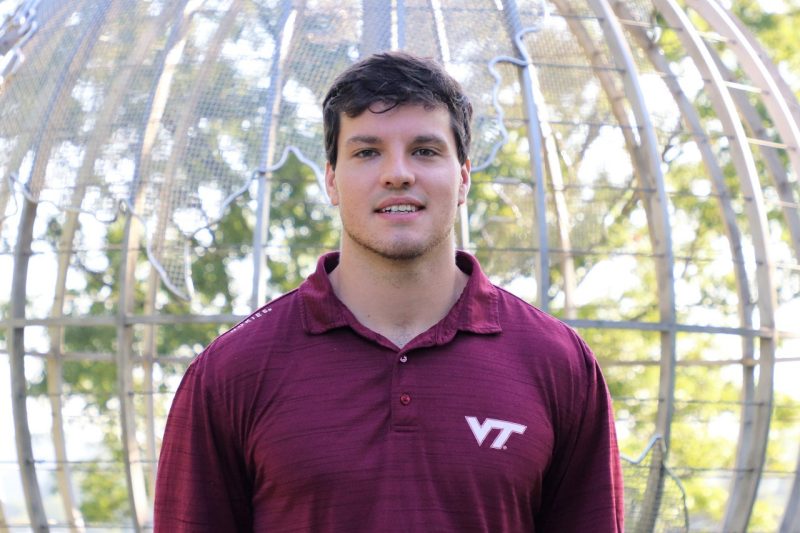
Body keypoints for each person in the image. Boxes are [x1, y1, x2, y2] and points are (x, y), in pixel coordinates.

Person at [154, 51, 624, 532]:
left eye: (424, 150)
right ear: (332, 180)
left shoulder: (558, 363)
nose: (397, 173)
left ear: (462, 177)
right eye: (366, 152)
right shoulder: (233, 371)